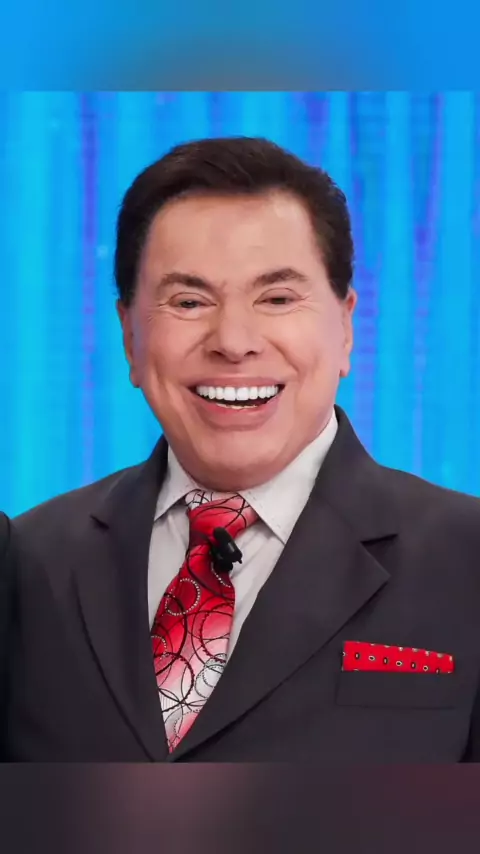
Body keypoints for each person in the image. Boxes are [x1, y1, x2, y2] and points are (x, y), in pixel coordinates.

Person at [6, 136, 480, 762]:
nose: (233, 341)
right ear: (130, 337)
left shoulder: (465, 560)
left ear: (345, 326)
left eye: (277, 298)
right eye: (189, 301)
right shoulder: (27, 563)